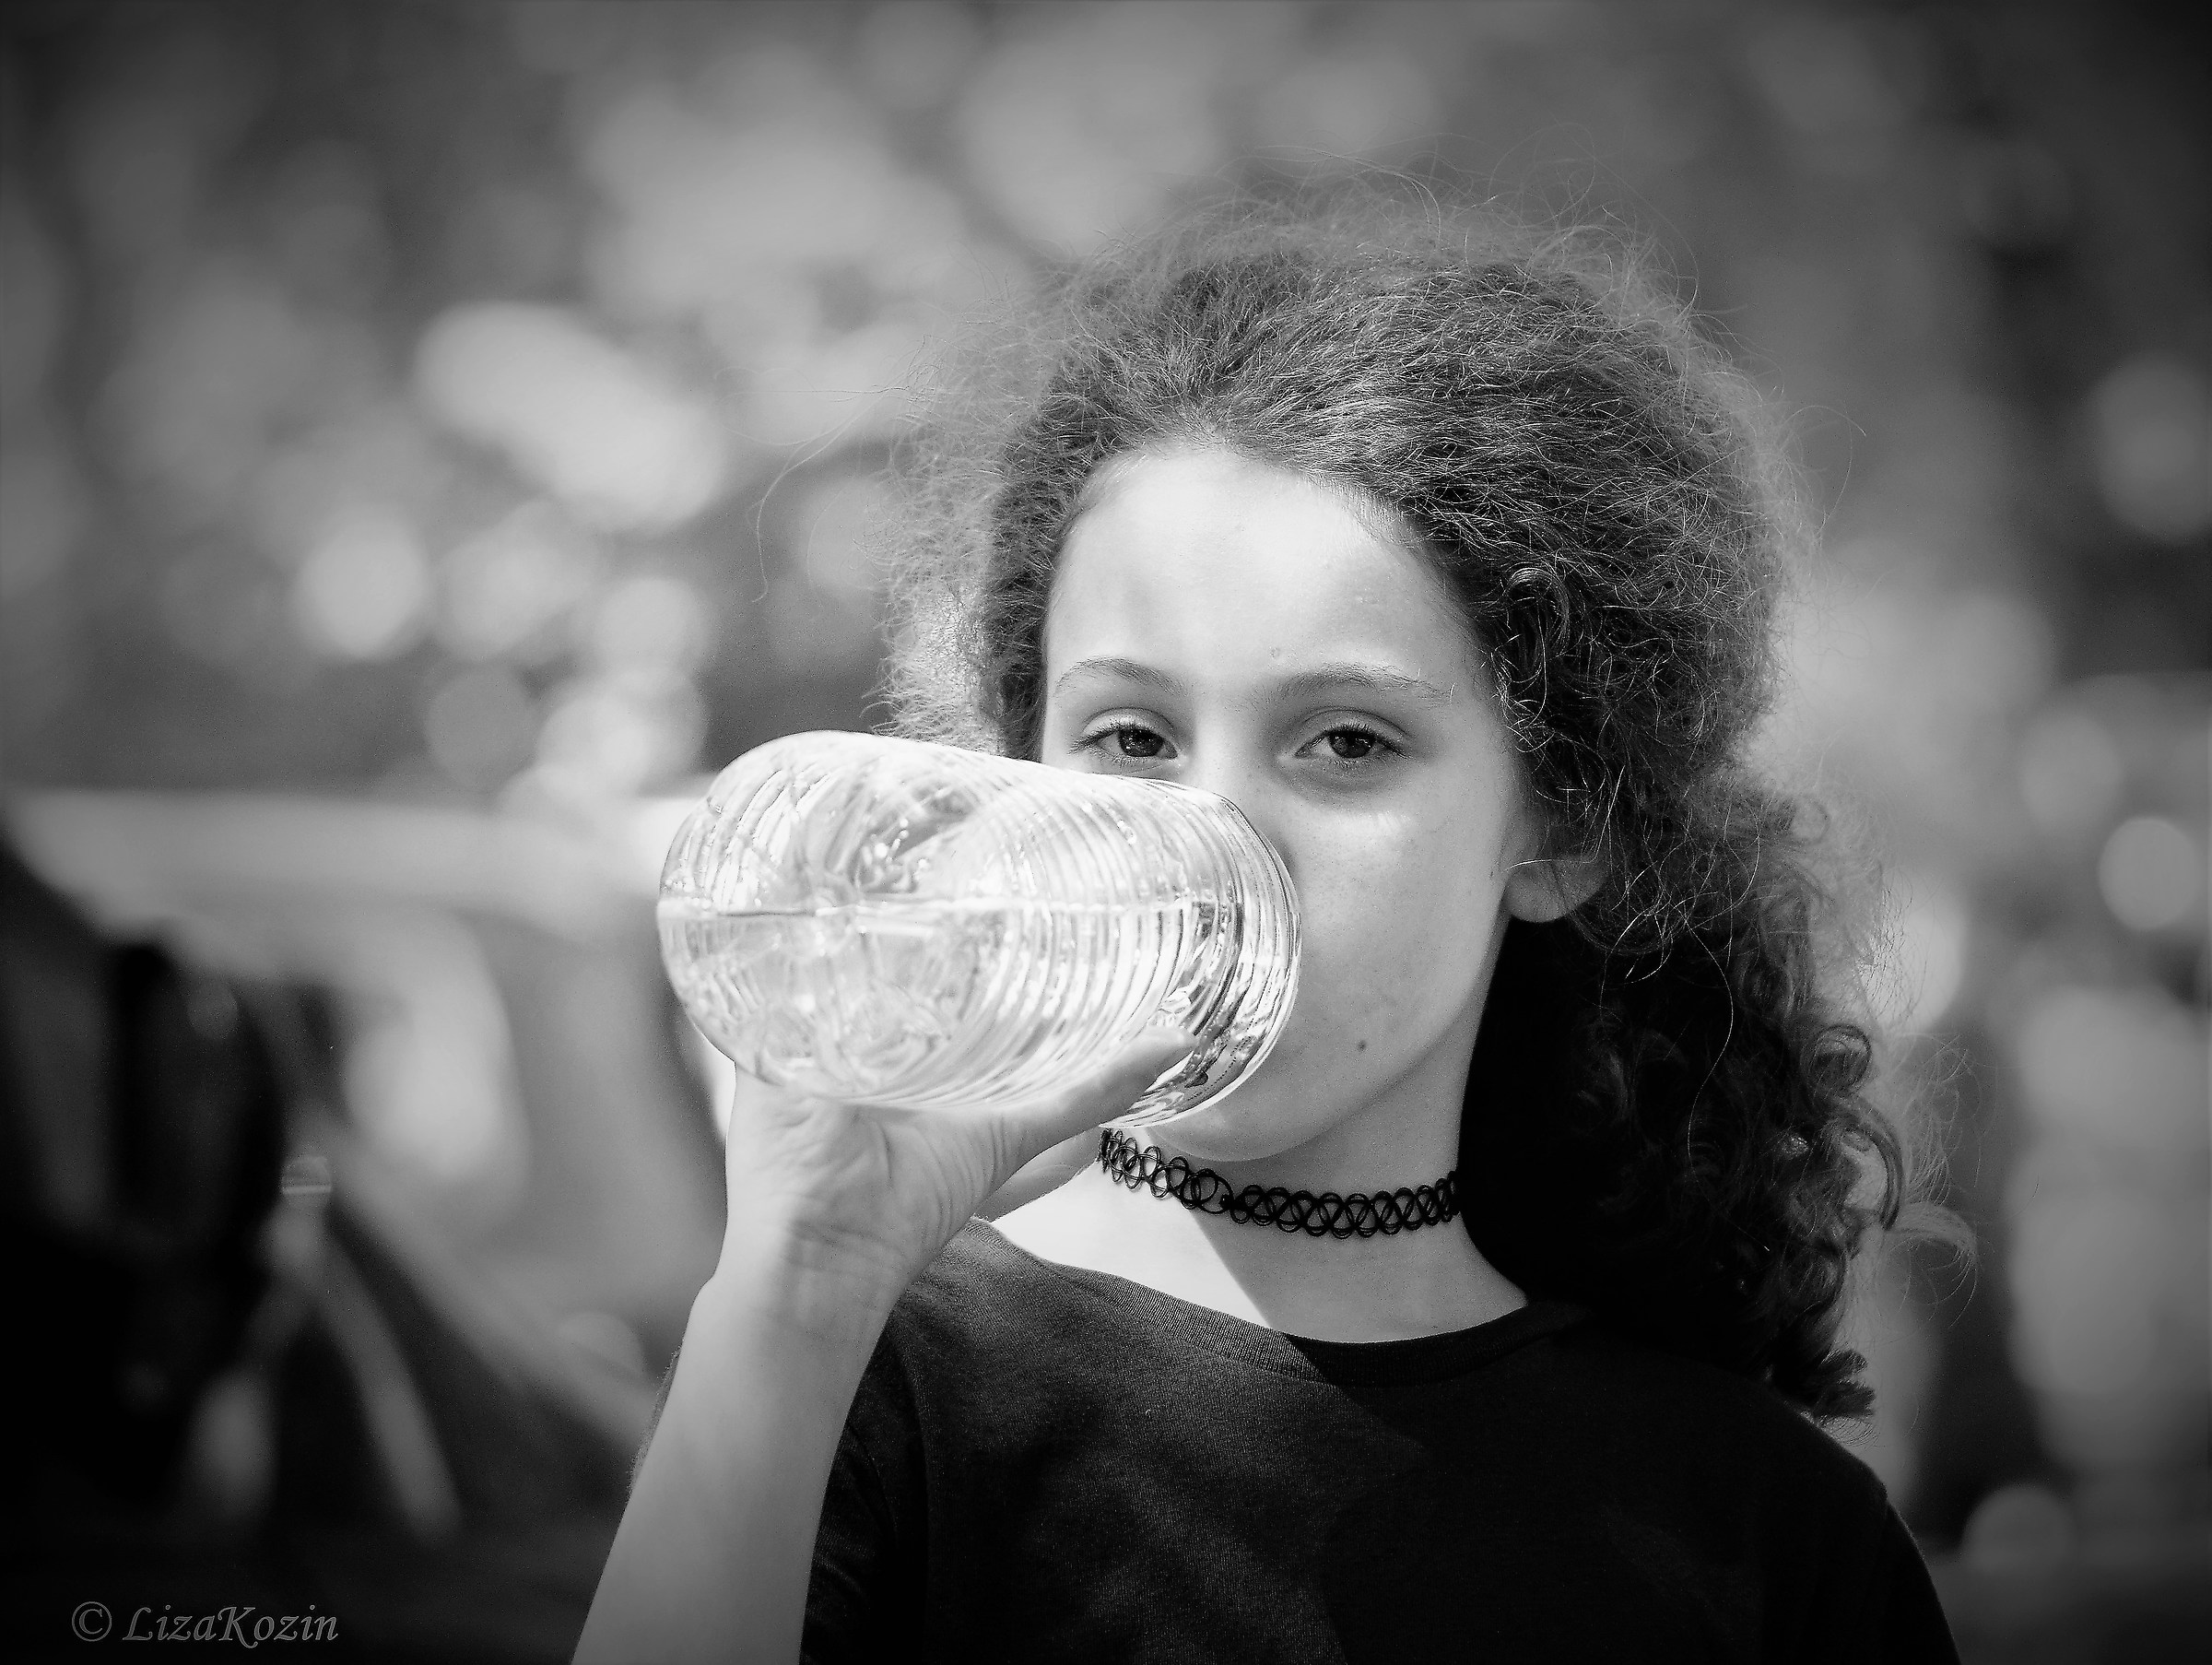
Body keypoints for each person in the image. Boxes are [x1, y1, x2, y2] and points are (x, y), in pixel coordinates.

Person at [577, 194, 1964, 1663]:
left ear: (1564, 826)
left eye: (1347, 741)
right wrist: (795, 1292)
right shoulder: (851, 1388)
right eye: (1132, 736)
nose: (1211, 834)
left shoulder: (1765, 1531)